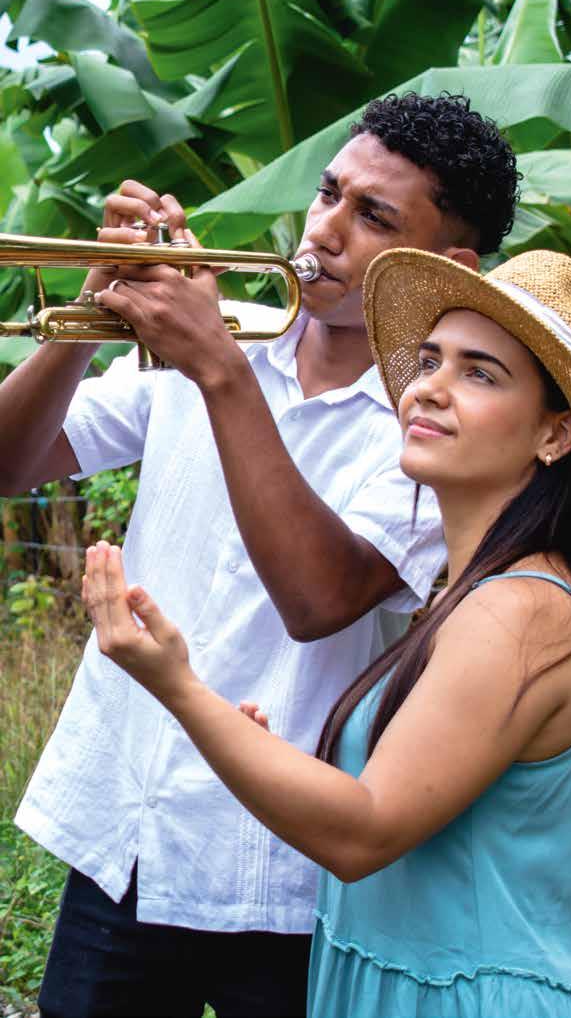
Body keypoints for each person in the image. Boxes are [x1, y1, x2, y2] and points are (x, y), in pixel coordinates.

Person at [0, 93, 520, 1018]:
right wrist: (89, 307)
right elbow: (10, 465)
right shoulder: (222, 332)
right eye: (328, 193)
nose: (325, 230)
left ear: (447, 268)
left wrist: (218, 370)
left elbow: (320, 599)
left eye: (374, 217)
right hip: (131, 827)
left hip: (286, 869)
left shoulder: (437, 423)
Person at [83, 248, 571, 1018]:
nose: (429, 388)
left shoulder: (521, 612)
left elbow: (363, 832)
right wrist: (252, 745)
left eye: (480, 374)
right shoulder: (476, 595)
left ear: (555, 436)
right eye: (429, 361)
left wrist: (178, 687)